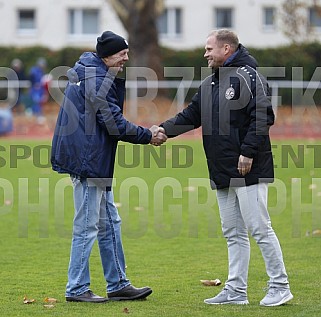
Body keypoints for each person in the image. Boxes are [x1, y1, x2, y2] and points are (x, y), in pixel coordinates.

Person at [160, 29, 293, 307]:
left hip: (249, 168)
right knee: (233, 232)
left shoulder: (249, 77)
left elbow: (263, 116)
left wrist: (247, 152)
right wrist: (162, 131)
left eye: (209, 49)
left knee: (259, 228)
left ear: (227, 49)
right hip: (221, 169)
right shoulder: (210, 84)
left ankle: (280, 285)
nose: (205, 53)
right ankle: (236, 291)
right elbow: (191, 116)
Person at [51, 30, 167, 303]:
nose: (126, 57)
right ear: (106, 55)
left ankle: (118, 284)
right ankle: (77, 288)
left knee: (109, 223)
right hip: (88, 161)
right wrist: (147, 135)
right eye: (121, 53)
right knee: (88, 225)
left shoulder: (91, 72)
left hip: (93, 159)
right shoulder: (97, 78)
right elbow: (112, 122)